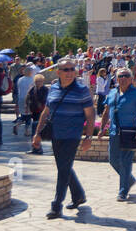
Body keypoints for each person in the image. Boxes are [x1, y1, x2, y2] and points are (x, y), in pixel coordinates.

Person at [32, 60, 95, 218]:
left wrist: (88, 136)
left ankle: (56, 205)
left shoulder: (82, 90)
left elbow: (90, 114)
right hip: (55, 134)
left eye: (72, 69)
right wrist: (37, 133)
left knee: (63, 169)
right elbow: (46, 112)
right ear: (58, 72)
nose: (69, 72)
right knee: (63, 167)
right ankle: (78, 195)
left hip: (72, 136)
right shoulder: (53, 88)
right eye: (65, 69)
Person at [98, 67, 136, 201]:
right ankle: (129, 179)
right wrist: (102, 129)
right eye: (120, 76)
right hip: (114, 132)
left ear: (131, 79)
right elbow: (106, 112)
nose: (122, 78)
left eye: (125, 76)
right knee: (113, 160)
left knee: (125, 162)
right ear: (116, 79)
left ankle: (123, 191)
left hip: (129, 131)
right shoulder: (112, 92)